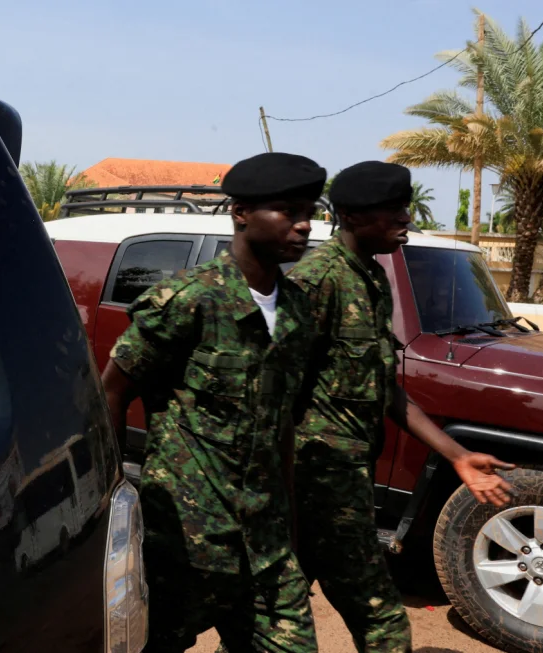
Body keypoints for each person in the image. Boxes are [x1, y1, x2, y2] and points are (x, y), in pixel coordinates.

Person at [287, 160, 515, 653]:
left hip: (343, 479)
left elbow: (383, 388)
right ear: (348, 215)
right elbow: (273, 394)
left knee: (278, 613)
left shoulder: (369, 278)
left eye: (404, 207)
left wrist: (456, 455)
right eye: (390, 210)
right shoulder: (315, 283)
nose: (404, 218)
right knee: (376, 618)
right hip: (311, 481)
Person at [102, 152, 324, 653]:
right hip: (184, 537)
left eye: (309, 210)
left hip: (267, 545)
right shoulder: (188, 300)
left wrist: (288, 521)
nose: (305, 224)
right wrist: (119, 506)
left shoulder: (296, 312)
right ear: (241, 212)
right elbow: (113, 389)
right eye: (288, 211)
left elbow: (283, 421)